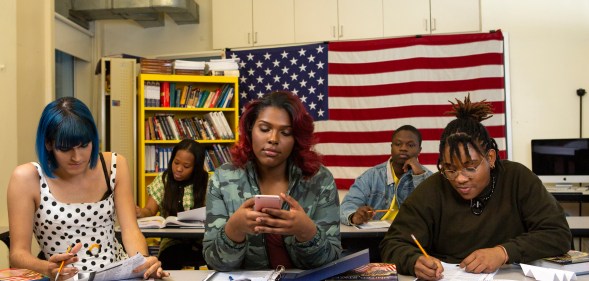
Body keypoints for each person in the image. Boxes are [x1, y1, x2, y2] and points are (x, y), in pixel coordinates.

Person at [379, 95, 571, 280]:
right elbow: (393, 244)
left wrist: (504, 252)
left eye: (470, 167)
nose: (460, 178)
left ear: (490, 158)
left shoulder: (517, 178)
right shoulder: (432, 189)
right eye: (450, 168)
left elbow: (557, 233)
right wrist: (414, 261)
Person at [7, 97, 168, 280]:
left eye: (84, 145)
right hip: (65, 277)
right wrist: (47, 268)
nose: (77, 157)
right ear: (48, 144)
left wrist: (144, 262)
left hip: (118, 273)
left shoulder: (114, 165)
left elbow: (130, 230)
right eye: (65, 149)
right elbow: (18, 254)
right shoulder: (27, 178)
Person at [203, 90, 342, 271]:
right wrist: (234, 230)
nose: (273, 139)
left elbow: (330, 262)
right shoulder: (223, 178)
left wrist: (307, 232)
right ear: (250, 129)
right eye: (265, 129)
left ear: (296, 139)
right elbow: (215, 262)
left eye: (285, 132)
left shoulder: (320, 179)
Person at [135, 138, 208, 269]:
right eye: (176, 163)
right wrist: (140, 212)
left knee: (218, 258)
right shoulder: (164, 179)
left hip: (203, 241)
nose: (179, 169)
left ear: (196, 167)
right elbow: (150, 210)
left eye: (186, 166)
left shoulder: (207, 182)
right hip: (172, 242)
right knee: (169, 260)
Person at [340, 125, 433, 226]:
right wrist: (354, 216)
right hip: (374, 236)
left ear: (419, 150)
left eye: (410, 145)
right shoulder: (371, 176)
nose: (403, 148)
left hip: (412, 235)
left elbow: (434, 210)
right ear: (391, 147)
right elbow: (346, 206)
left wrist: (420, 176)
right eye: (398, 144)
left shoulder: (430, 178)